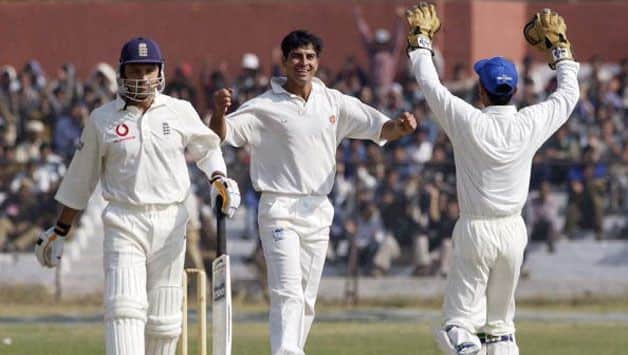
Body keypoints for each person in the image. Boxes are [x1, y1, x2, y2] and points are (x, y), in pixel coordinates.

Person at [210, 30, 417, 355]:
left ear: (318, 62)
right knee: (287, 291)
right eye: (296, 56)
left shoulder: (332, 101)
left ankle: (291, 349)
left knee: (306, 298)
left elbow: (381, 128)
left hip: (318, 208)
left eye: (309, 57)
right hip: (279, 207)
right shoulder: (264, 106)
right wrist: (218, 113)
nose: (303, 63)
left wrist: (402, 127)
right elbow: (223, 134)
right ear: (284, 61)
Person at [33, 37, 241, 355]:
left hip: (171, 222)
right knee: (124, 309)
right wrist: (60, 231)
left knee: (165, 322)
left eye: (148, 70)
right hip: (124, 221)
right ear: (122, 73)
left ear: (159, 72)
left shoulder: (179, 110)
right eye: (135, 70)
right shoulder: (102, 119)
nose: (142, 78)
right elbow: (80, 179)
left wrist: (218, 178)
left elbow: (207, 148)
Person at [405, 4, 579, 355]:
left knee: (458, 325)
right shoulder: (530, 123)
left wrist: (421, 42)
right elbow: (568, 95)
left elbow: (429, 84)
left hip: (475, 230)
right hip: (513, 232)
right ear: (512, 91)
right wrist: (561, 52)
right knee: (500, 329)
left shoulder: (468, 121)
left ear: (481, 92)